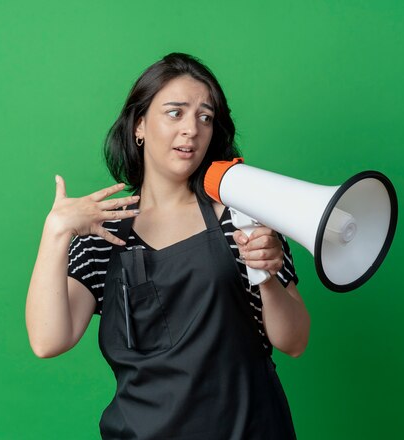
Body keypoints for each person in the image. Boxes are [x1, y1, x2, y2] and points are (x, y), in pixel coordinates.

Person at [26, 52, 310, 439]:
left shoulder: (245, 217)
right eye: (175, 113)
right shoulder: (104, 233)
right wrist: (56, 231)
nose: (191, 129)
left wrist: (265, 274)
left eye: (205, 117)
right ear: (139, 125)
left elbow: (293, 342)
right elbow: (48, 340)